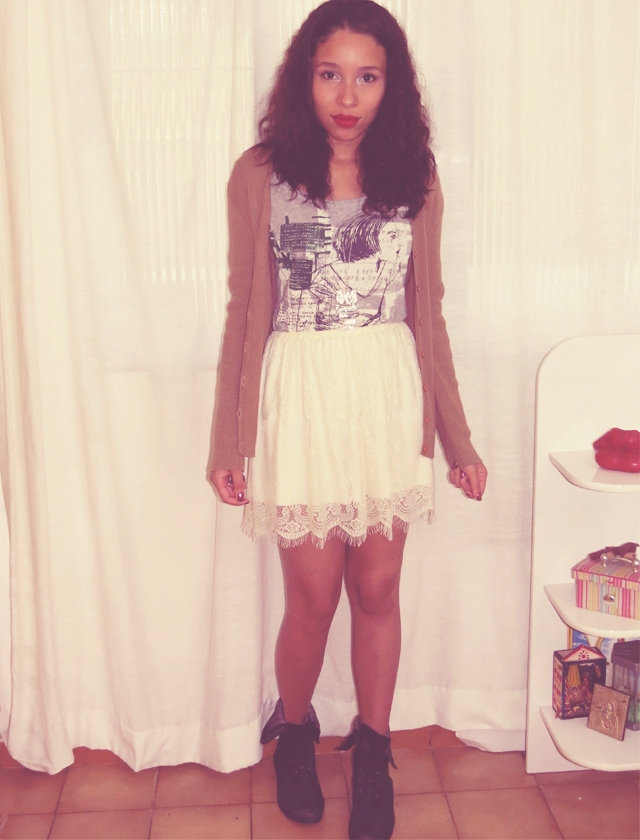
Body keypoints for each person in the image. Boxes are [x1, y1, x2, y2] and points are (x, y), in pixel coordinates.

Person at [210, 2, 487, 837]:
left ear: (389, 86)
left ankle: (373, 748)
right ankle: (295, 732)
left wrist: (459, 440)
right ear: (305, 78)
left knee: (378, 588)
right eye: (331, 73)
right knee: (313, 596)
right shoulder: (260, 174)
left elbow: (429, 312)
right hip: (299, 399)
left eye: (367, 76)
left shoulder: (414, 174)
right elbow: (244, 311)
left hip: (385, 398)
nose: (347, 94)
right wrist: (230, 442)